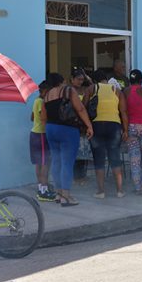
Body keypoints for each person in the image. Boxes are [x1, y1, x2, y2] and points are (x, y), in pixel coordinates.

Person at [42, 72, 93, 207]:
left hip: (50, 129)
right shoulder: (69, 90)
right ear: (62, 80)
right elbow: (80, 109)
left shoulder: (46, 95)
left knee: (56, 161)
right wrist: (89, 126)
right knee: (67, 163)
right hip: (67, 130)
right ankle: (66, 195)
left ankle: (58, 193)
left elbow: (43, 117)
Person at [90, 70, 129, 199]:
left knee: (99, 160)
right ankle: (119, 191)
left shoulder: (92, 88)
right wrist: (126, 130)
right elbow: (123, 111)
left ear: (94, 80)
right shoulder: (116, 89)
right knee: (115, 158)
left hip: (97, 126)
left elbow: (84, 107)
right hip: (114, 126)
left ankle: (101, 191)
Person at [30, 81, 54, 201]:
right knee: (45, 164)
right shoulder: (41, 102)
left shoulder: (35, 101)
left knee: (39, 163)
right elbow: (42, 117)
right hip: (42, 135)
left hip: (34, 134)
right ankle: (43, 191)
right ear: (44, 91)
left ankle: (41, 188)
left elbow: (32, 117)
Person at [70, 67, 94, 181]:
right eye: (78, 79)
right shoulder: (69, 90)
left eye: (81, 79)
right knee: (75, 151)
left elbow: (92, 84)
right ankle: (76, 176)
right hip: (74, 124)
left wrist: (86, 76)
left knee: (83, 152)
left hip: (83, 124)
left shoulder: (85, 89)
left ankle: (82, 176)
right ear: (72, 79)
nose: (80, 82)